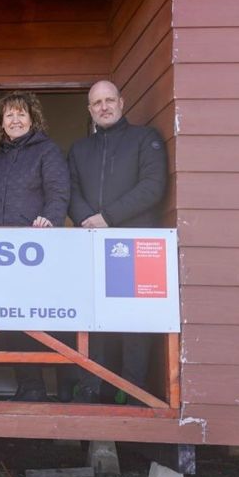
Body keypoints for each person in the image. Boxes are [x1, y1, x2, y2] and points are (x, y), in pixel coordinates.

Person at [68, 80, 167, 404]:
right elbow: (71, 191)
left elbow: (153, 186)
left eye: (109, 100)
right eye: (97, 103)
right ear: (89, 109)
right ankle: (93, 396)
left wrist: (107, 217)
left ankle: (136, 400)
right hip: (91, 248)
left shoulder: (145, 139)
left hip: (136, 250)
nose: (104, 107)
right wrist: (88, 220)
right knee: (93, 324)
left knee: (134, 328)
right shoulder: (80, 150)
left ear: (122, 102)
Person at [0, 90, 70, 402]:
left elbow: (59, 192)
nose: (15, 120)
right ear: (1, 123)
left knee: (33, 318)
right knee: (5, 319)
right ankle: (25, 383)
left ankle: (40, 386)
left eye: (21, 114)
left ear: (32, 119)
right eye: (9, 115)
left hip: (34, 252)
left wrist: (50, 219)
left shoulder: (47, 151)